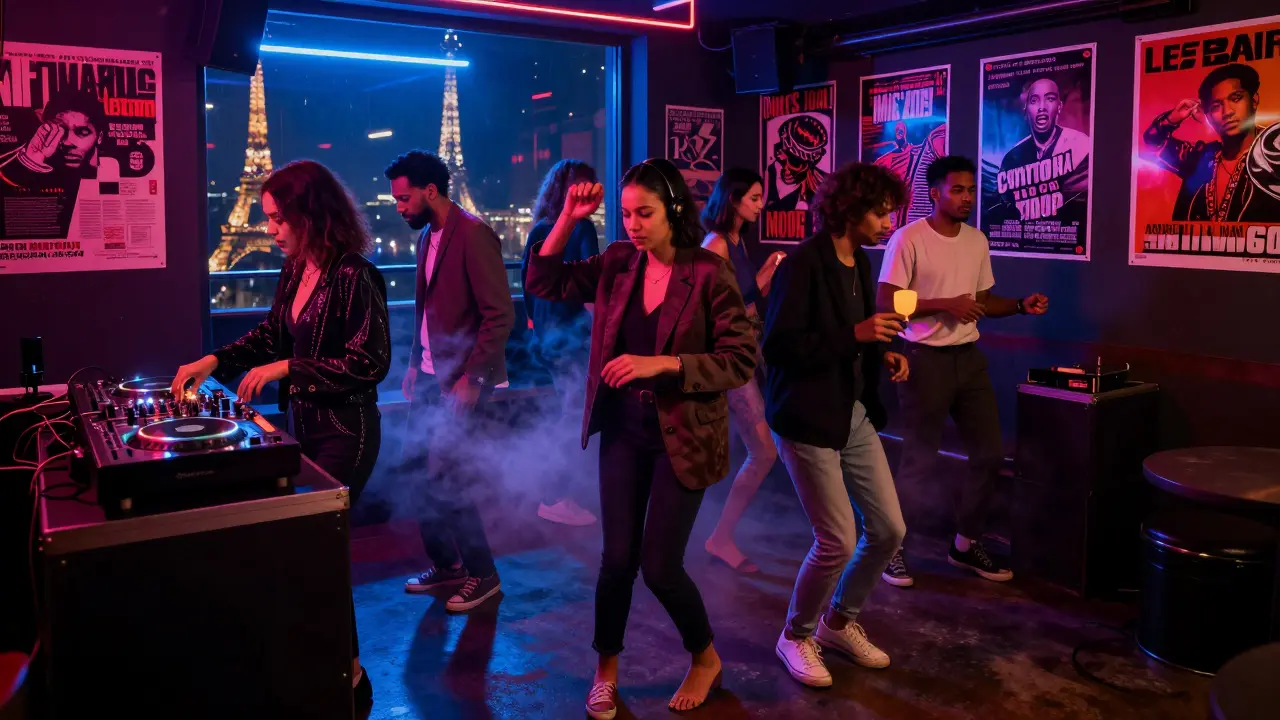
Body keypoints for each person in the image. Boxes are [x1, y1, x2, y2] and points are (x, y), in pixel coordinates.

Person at [525, 158, 756, 718]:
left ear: (673, 209)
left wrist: (662, 364)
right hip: (625, 433)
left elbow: (739, 359)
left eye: (644, 213)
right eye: (625, 213)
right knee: (616, 560)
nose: (632, 224)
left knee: (660, 566)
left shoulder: (706, 270)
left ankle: (705, 657)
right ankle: (606, 669)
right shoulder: (618, 263)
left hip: (684, 437)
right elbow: (542, 279)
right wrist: (567, 218)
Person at [171, 160, 390, 712]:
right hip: (306, 428)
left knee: (317, 547)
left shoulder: (356, 275)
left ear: (309, 213)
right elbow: (273, 334)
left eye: (277, 219)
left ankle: (351, 675)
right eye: (265, 218)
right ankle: (329, 665)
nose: (269, 230)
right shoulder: (297, 269)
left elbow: (370, 363)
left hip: (347, 433)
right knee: (310, 550)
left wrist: (291, 368)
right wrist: (214, 359)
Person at [763, 162, 911, 688]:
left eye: (890, 211)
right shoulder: (802, 264)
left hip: (848, 411)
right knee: (837, 540)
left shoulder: (860, 262)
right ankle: (795, 635)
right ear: (849, 210)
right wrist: (858, 334)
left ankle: (838, 623)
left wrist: (882, 354)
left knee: (890, 530)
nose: (888, 221)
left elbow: (853, 338)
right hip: (805, 418)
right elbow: (778, 347)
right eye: (879, 211)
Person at [876, 155, 1049, 586]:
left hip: (968, 360)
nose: (967, 197)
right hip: (923, 359)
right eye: (958, 189)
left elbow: (983, 302)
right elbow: (888, 302)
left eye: (972, 189)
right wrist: (944, 303)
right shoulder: (908, 238)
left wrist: (1018, 305)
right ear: (934, 193)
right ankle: (890, 549)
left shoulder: (976, 240)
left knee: (989, 454)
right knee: (919, 460)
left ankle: (965, 545)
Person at [388, 151, 515, 612]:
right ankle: (448, 566)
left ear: (430, 191)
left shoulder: (474, 234)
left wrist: (472, 379)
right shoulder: (427, 237)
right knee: (419, 471)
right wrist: (412, 361)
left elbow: (499, 316)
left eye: (404, 198)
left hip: (462, 382)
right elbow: (426, 308)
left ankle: (484, 575)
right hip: (427, 375)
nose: (399, 208)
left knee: (449, 476)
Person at [698, 168, 785, 573]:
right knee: (763, 450)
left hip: (751, 349)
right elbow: (709, 309)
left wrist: (766, 271)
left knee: (765, 448)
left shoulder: (737, 240)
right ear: (732, 199)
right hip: (731, 355)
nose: (760, 204)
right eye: (753, 197)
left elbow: (746, 298)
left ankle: (720, 535)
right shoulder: (715, 244)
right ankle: (720, 537)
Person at [521, 159, 601, 527]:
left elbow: (528, 285)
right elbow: (590, 290)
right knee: (574, 420)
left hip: (545, 338)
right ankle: (555, 497)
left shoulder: (539, 228)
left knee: (566, 417)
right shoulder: (581, 228)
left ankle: (553, 494)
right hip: (573, 336)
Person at [1140, 63, 1280, 222]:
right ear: (1208, 115)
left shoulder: (1274, 154)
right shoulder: (1201, 158)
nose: (1227, 112)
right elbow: (1153, 142)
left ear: (1254, 100)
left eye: (1236, 98)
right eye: (1215, 106)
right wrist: (1172, 119)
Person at [988, 77, 1091, 226]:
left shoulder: (1080, 146)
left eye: (1049, 99)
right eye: (1034, 100)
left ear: (1059, 106)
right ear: (1026, 110)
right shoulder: (1011, 159)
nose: (1042, 107)